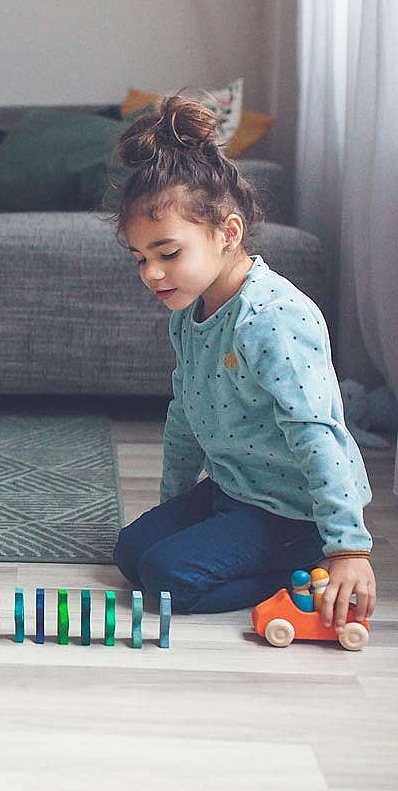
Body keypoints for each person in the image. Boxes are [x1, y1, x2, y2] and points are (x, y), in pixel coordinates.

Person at [108, 95, 375, 629]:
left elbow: (318, 433)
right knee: (131, 551)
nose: (151, 275)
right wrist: (173, 508)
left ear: (227, 234)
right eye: (140, 259)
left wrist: (349, 548)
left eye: (168, 253)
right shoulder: (189, 315)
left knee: (164, 579)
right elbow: (184, 415)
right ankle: (221, 546)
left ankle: (301, 567)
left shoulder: (273, 318)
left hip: (290, 512)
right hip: (232, 490)